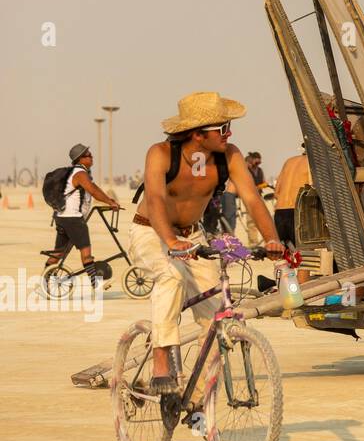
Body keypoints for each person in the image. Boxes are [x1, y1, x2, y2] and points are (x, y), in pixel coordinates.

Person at [130, 92, 284, 393]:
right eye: (222, 128)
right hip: (150, 231)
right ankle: (160, 358)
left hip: (193, 234)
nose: (229, 133)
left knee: (214, 314)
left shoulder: (229, 155)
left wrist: (272, 240)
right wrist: (170, 240)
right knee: (171, 276)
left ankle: (198, 399)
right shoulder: (160, 153)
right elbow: (157, 199)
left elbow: (252, 198)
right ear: (198, 134)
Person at [43, 144, 121, 274]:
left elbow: (95, 188)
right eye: (88, 155)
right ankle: (95, 283)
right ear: (80, 159)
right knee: (86, 254)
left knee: (58, 253)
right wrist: (110, 202)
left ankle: (45, 280)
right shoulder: (80, 174)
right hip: (73, 219)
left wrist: (109, 200)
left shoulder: (79, 173)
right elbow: (93, 191)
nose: (91, 157)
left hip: (62, 217)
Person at [273, 149, 312, 246]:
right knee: (302, 254)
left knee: (286, 254)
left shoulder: (289, 161)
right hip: (297, 212)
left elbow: (276, 193)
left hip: (280, 211)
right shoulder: (311, 163)